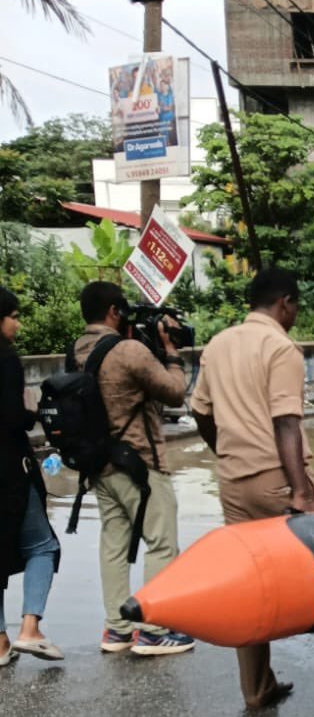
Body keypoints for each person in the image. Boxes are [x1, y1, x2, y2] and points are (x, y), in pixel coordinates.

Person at [190, 265, 314, 710]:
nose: (296, 315)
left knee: (249, 582)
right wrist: (300, 492)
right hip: (277, 480)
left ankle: (256, 689)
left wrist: (225, 451)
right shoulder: (281, 348)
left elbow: (200, 412)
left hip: (232, 482)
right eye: (296, 307)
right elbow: (286, 422)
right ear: (285, 303)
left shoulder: (218, 344)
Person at [72, 281, 194, 656]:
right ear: (114, 311)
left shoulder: (78, 350)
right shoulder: (128, 350)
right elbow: (174, 392)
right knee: (161, 542)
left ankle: (118, 629)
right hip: (139, 462)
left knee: (114, 543)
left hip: (100, 465)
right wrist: (170, 353)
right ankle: (154, 629)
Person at [0, 286, 62, 665]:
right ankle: (30, 629)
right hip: (9, 469)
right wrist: (33, 415)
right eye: (13, 316)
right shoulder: (6, 359)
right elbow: (11, 416)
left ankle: (0, 645)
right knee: (43, 546)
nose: (18, 324)